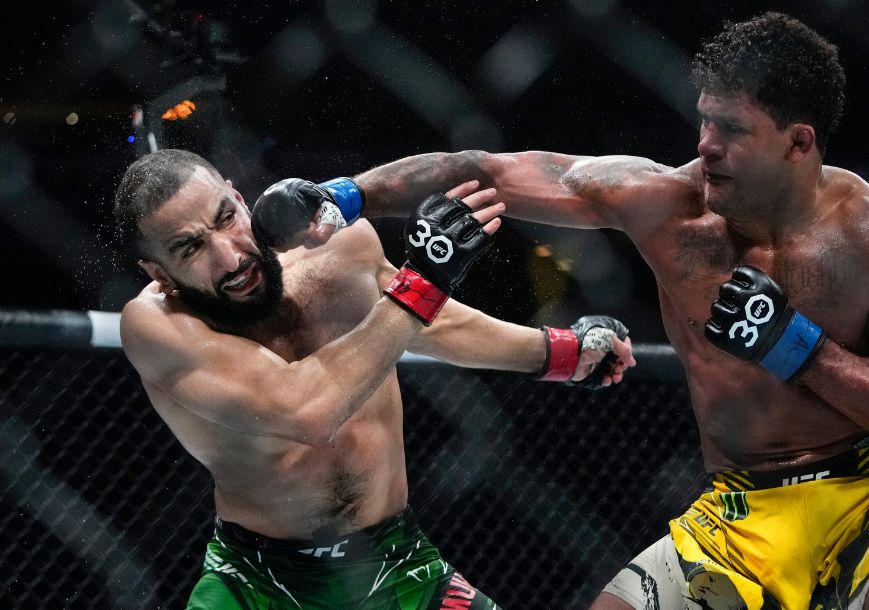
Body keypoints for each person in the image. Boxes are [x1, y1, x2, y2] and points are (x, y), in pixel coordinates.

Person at [253, 11, 869, 610]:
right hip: (740, 512)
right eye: (704, 122)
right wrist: (342, 194)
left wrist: (799, 347)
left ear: (798, 141)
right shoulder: (663, 205)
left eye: (731, 130)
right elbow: (491, 168)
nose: (705, 146)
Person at [112, 148, 635, 609]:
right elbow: (304, 408)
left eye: (226, 218)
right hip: (258, 585)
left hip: (398, 564)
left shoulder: (330, 243)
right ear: (158, 273)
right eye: (189, 248)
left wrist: (563, 353)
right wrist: (425, 279)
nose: (229, 256)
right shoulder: (157, 326)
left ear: (238, 196)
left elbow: (431, 323)